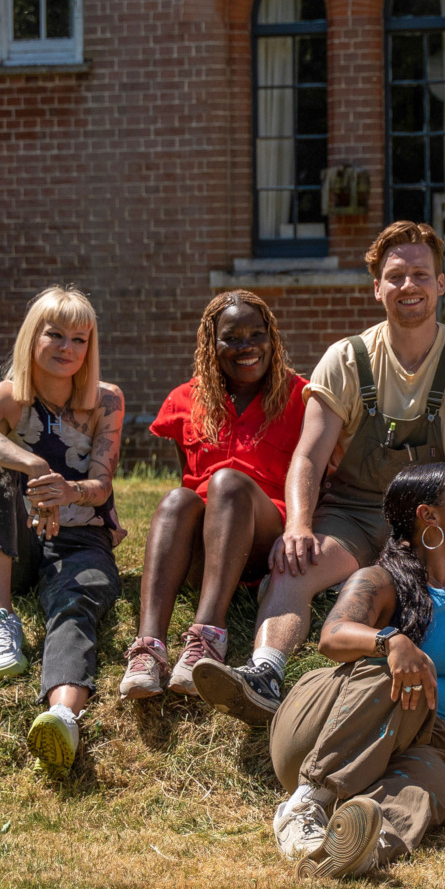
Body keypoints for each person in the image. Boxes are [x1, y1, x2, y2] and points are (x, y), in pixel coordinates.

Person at [194, 222, 445, 724]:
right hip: (354, 514)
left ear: (441, 284)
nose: (409, 287)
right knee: (293, 564)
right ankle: (265, 674)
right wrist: (298, 525)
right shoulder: (346, 357)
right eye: (396, 276)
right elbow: (309, 457)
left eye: (421, 275)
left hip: (432, 519)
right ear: (376, 287)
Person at [267, 461, 445, 878]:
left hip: (429, 742)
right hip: (326, 734)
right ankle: (306, 804)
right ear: (429, 515)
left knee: (434, 787)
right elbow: (331, 636)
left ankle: (354, 848)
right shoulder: (380, 578)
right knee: (403, 671)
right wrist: (391, 641)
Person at [0, 285, 124, 775]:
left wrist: (69, 491)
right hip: (21, 542)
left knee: (75, 606)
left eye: (79, 339)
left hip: (81, 540)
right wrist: (29, 462)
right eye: (55, 335)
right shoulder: (8, 398)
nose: (67, 348)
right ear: (33, 338)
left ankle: (63, 716)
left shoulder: (105, 401)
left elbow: (103, 487)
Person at [120, 291, 307, 701]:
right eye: (232, 337)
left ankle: (208, 636)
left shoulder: (300, 397)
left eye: (256, 334)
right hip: (206, 553)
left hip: (262, 543)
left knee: (227, 482)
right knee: (177, 500)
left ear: (272, 338)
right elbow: (186, 476)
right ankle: (148, 647)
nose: (247, 347)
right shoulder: (184, 399)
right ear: (211, 343)